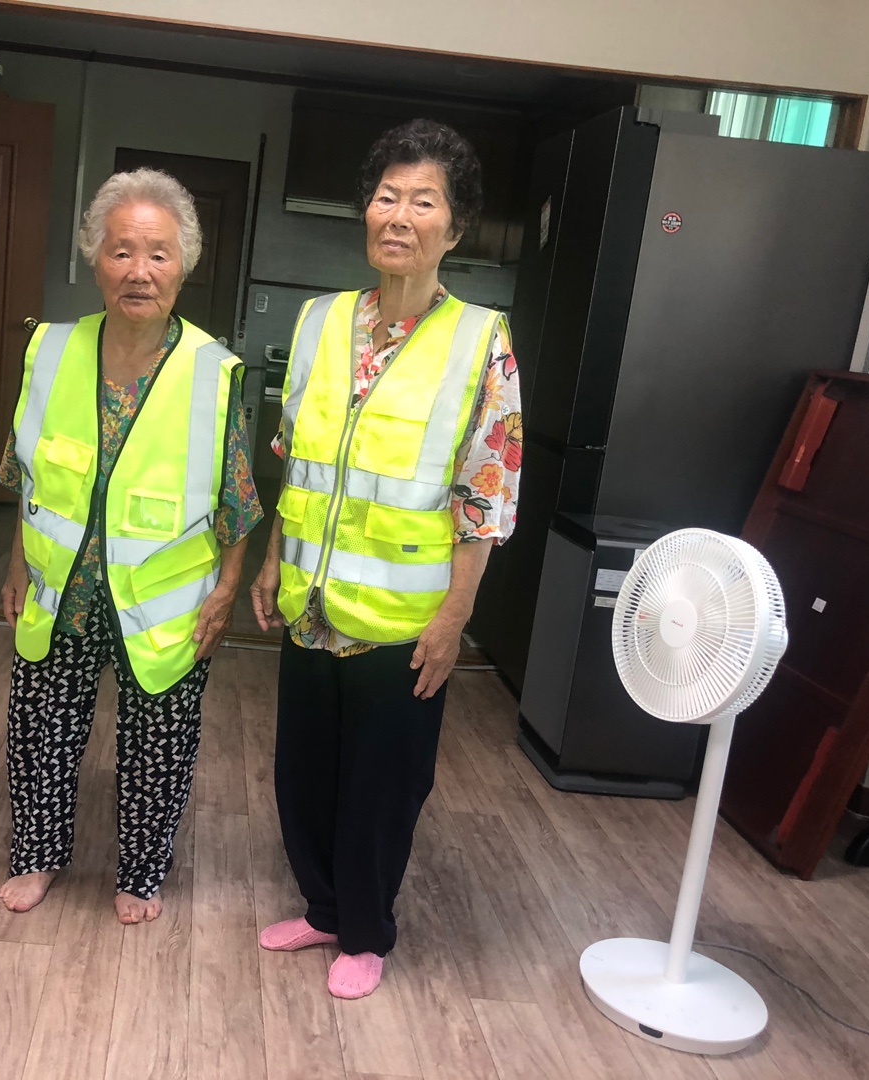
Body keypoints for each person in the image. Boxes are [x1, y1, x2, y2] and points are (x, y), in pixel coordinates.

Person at [250, 120, 522, 998]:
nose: (399, 215)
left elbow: (486, 495)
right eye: (386, 196)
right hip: (311, 601)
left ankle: (366, 932)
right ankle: (324, 908)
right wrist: (270, 559)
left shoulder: (481, 341)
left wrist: (456, 616)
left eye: (423, 201)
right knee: (304, 776)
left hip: (403, 620)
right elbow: (294, 453)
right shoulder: (321, 320)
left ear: (456, 226)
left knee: (381, 786)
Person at [0, 168, 262, 925]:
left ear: (184, 265)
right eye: (121, 251)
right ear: (95, 258)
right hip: (63, 585)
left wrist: (225, 592)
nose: (138, 271)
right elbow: (30, 474)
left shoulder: (213, 371)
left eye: (158, 254)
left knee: (160, 739)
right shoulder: (51, 350)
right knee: (40, 724)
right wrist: (15, 565)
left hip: (161, 599)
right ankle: (37, 854)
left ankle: (142, 872)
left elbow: (237, 500)